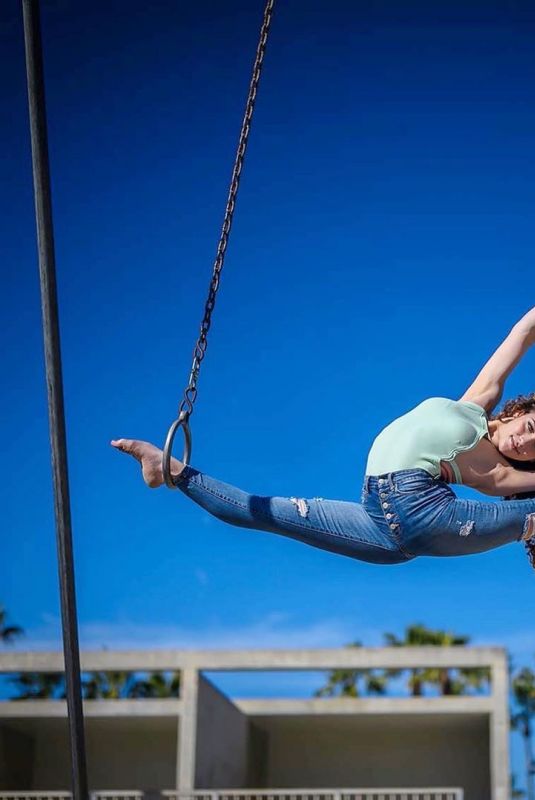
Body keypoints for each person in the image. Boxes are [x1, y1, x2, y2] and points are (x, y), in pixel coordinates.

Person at [112, 307, 535, 569]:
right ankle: (169, 469)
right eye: (531, 428)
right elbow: (522, 333)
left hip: (423, 512)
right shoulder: (478, 400)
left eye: (534, 451)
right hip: (381, 526)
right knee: (264, 512)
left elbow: (504, 481)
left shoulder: (499, 473)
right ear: (520, 412)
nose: (524, 442)